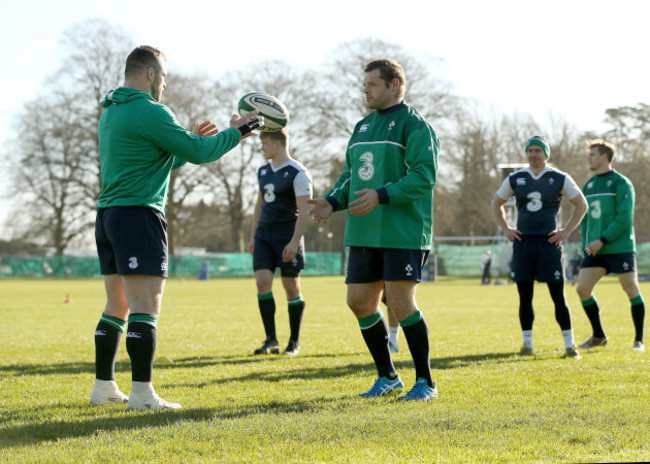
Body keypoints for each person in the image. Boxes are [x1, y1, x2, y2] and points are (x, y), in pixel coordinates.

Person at [90, 45, 261, 410]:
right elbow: (201, 153)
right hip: (138, 216)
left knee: (117, 303)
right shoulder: (149, 110)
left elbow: (154, 161)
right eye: (164, 77)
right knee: (144, 305)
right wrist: (240, 131)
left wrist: (186, 142)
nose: (164, 85)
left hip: (108, 216)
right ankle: (141, 395)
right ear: (151, 74)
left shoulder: (111, 110)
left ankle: (103, 387)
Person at [308, 59, 439, 401]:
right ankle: (388, 376)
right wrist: (331, 202)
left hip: (403, 231)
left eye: (372, 84)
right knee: (359, 302)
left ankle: (426, 382)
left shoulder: (415, 125)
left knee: (399, 301)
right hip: (364, 232)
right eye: (364, 84)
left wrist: (382, 195)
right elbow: (350, 176)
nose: (365, 89)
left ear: (395, 85)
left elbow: (424, 177)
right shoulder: (362, 127)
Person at [491, 135, 588, 359]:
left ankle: (569, 345)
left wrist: (567, 231)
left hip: (549, 244)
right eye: (530, 150)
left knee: (558, 297)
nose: (533, 154)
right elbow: (496, 203)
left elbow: (581, 203)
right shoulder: (517, 178)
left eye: (538, 150)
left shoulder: (559, 178)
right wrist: (506, 228)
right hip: (524, 244)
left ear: (546, 154)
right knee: (525, 298)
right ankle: (527, 344)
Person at [575, 139, 645, 351]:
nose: (589, 158)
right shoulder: (588, 185)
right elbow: (585, 218)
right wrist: (586, 243)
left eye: (592, 155)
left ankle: (639, 341)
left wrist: (602, 240)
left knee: (630, 288)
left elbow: (624, 218)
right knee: (582, 289)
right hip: (595, 249)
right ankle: (598, 336)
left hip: (619, 246)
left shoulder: (621, 183)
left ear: (604, 156)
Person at [249, 129, 312, 356]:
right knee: (262, 282)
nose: (262, 148)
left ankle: (293, 343)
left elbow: (305, 210)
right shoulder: (263, 171)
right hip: (264, 236)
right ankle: (271, 340)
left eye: (265, 143)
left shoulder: (298, 173)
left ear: (277, 144)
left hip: (288, 235)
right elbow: (259, 205)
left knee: (291, 287)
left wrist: (295, 242)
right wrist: (253, 235)